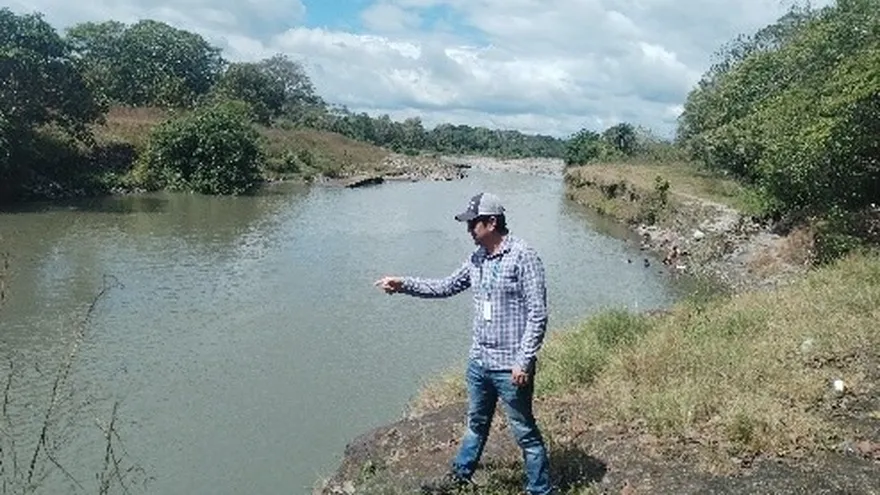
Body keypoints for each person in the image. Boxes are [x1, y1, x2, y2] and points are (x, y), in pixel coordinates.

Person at [374, 192, 553, 495]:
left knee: (524, 432)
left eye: (473, 223)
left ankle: (540, 489)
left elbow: (538, 313)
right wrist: (403, 284)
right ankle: (460, 476)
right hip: (479, 363)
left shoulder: (523, 255)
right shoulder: (477, 258)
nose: (469, 229)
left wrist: (524, 361)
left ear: (492, 222)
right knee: (475, 423)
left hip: (511, 368)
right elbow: (445, 286)